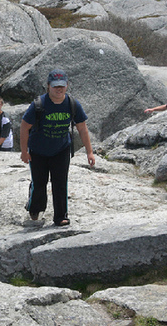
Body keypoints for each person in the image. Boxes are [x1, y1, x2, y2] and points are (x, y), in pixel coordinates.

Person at [20, 69, 95, 226]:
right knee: (39, 183)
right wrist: (24, 151)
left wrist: (90, 152)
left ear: (67, 85)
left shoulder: (72, 104)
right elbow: (24, 127)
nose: (59, 89)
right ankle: (35, 208)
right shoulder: (38, 105)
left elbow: (82, 128)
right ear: (48, 86)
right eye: (55, 86)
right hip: (38, 151)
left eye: (62, 86)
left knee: (60, 182)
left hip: (61, 150)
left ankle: (61, 216)